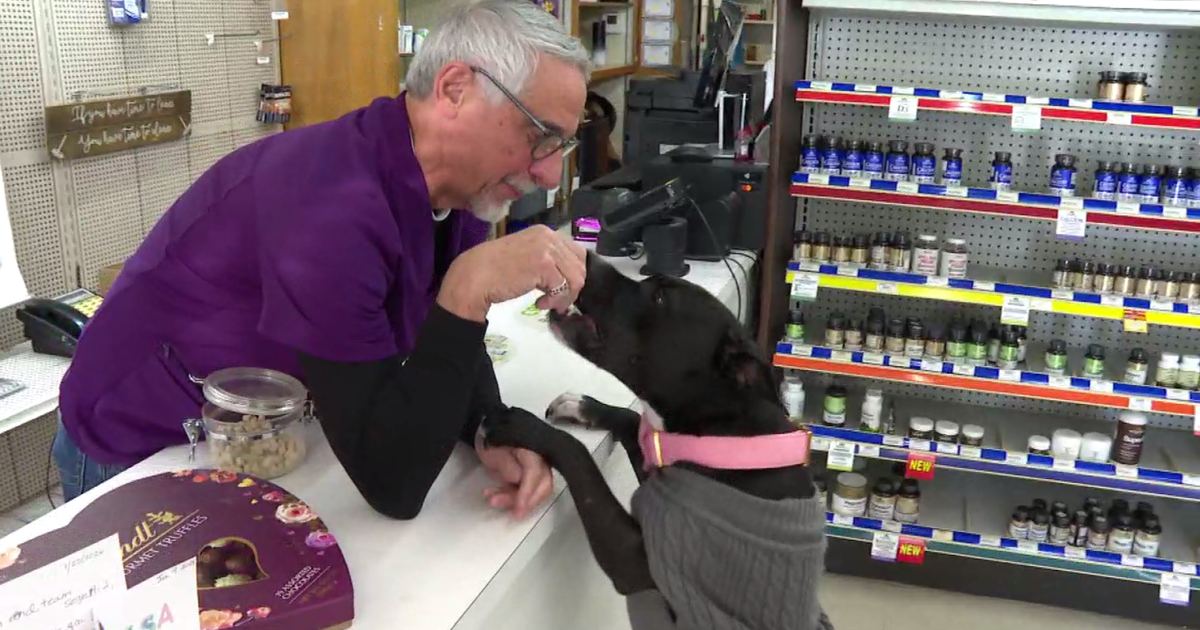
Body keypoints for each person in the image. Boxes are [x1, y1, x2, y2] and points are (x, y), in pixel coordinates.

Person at [52, 0, 591, 522]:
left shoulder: (453, 187)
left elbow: (445, 336)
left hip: (259, 425)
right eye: (538, 136)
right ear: (455, 89)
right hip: (143, 437)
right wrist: (468, 287)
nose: (548, 175)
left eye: (561, 145)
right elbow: (393, 486)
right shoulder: (328, 209)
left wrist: (487, 426)